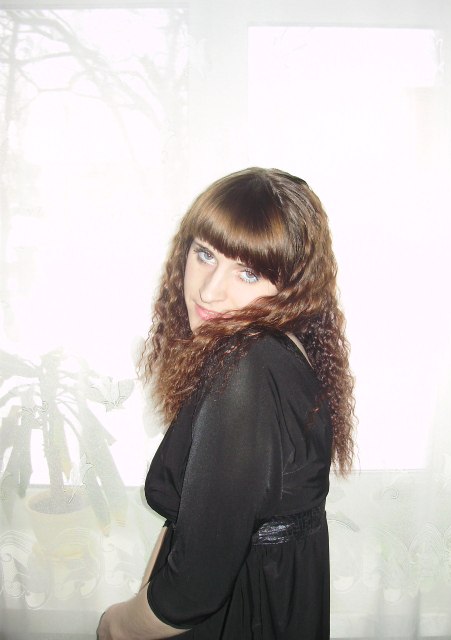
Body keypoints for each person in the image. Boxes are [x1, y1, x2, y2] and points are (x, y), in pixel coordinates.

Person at [97, 167, 355, 640]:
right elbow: (196, 525)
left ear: (292, 286)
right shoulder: (275, 348)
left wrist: (115, 625)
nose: (209, 290)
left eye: (248, 272)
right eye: (205, 255)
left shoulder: (244, 368)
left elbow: (193, 591)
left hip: (239, 615)